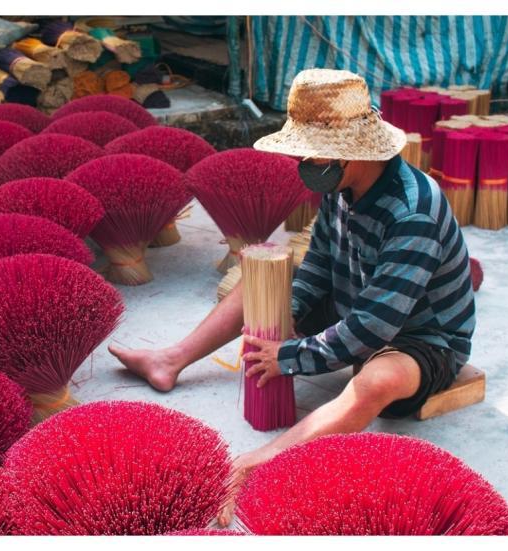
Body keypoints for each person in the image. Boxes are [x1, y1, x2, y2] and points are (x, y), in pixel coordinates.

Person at [108, 68, 476, 525]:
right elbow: (319, 265)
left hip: (421, 336)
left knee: (376, 382)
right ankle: (171, 359)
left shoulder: (412, 211)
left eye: (313, 150)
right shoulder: (342, 188)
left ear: (353, 152)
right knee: (262, 276)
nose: (303, 159)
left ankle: (258, 464)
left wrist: (291, 355)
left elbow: (374, 327)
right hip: (354, 301)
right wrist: (284, 314)